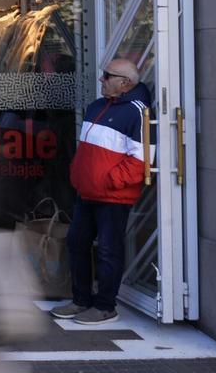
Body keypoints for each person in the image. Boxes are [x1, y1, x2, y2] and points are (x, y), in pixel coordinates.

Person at [50, 58, 151, 326]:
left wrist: (108, 181)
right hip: (87, 194)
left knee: (108, 250)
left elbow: (141, 160)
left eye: (107, 76)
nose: (101, 80)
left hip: (113, 198)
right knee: (77, 244)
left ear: (125, 83)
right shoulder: (96, 106)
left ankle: (106, 306)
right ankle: (81, 300)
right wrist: (79, 175)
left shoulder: (137, 112)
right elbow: (86, 150)